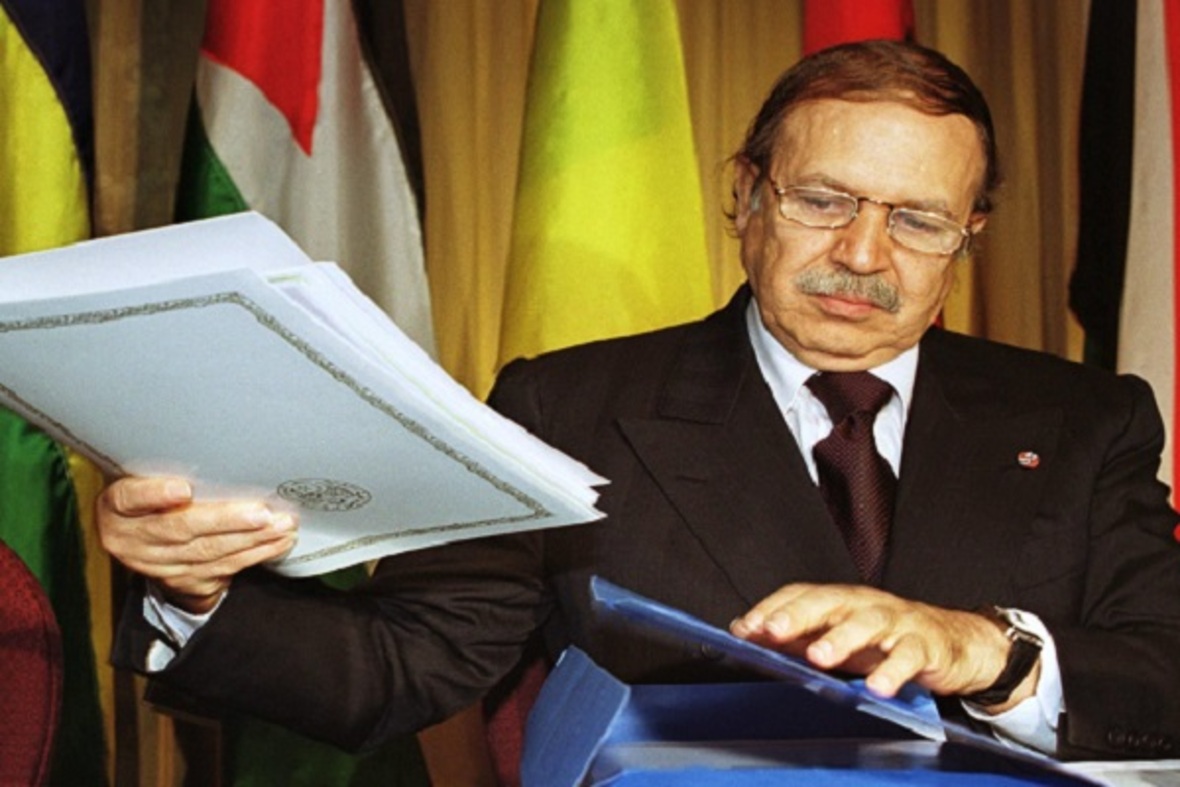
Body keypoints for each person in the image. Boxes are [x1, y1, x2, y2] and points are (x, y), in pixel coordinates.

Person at [99, 39, 1180, 761]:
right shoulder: (568, 404)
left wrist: (993, 652)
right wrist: (197, 592)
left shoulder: (1086, 421)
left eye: (917, 220)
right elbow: (401, 665)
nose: (863, 254)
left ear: (968, 236)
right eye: (822, 200)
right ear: (744, 196)